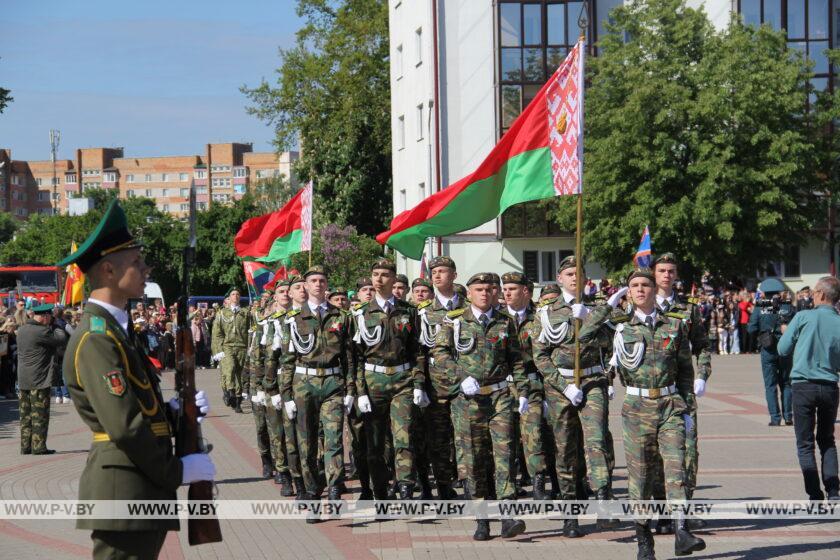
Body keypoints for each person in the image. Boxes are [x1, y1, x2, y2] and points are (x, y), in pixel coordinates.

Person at [58, 199, 214, 559]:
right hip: (124, 488)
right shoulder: (98, 338)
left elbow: (136, 406)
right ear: (109, 270)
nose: (146, 268)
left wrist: (176, 414)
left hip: (137, 484)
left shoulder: (116, 331)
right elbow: (125, 426)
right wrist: (177, 471)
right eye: (137, 262)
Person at [612, 268, 705, 559]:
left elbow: (685, 370)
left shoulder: (673, 326)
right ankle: (644, 541)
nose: (640, 290)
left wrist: (688, 407)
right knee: (640, 478)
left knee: (676, 469)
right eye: (634, 286)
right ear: (628, 292)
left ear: (654, 290)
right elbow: (585, 333)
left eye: (645, 285)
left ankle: (681, 532)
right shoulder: (618, 326)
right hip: (637, 409)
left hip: (669, 405)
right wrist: (607, 305)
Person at [532, 256, 626, 536]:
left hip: (592, 380)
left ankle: (603, 503)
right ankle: (570, 512)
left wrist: (594, 318)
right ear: (559, 278)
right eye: (569, 273)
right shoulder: (547, 311)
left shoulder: (600, 307)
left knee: (596, 441)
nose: (574, 278)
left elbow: (617, 343)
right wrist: (563, 385)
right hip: (561, 387)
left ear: (586, 278)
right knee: (565, 450)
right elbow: (540, 355)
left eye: (579, 273)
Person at [432, 272, 527, 541]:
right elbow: (440, 354)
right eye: (479, 289)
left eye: (489, 289)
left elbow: (517, 360)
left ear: (496, 293)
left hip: (499, 398)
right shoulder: (454, 322)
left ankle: (508, 516)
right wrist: (461, 378)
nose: (485, 293)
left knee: (505, 455)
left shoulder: (505, 322)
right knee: (473, 459)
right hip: (468, 401)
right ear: (469, 293)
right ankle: (482, 518)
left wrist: (522, 392)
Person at [278, 267, 355, 509]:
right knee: (307, 442)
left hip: (333, 383)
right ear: (306, 286)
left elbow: (349, 357)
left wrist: (351, 390)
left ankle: (333, 488)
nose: (318, 284)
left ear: (327, 284)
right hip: (304, 385)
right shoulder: (293, 318)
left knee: (333, 439)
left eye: (322, 280)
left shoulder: (341, 317)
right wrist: (286, 395)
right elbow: (287, 360)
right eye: (313, 281)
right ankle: (311, 490)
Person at [353, 258, 427, 500]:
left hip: (402, 379)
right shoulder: (360, 314)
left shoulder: (408, 311)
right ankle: (381, 491)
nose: (379, 278)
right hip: (374, 381)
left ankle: (405, 486)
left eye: (385, 274)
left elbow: (417, 350)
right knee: (374, 442)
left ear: (394, 279)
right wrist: (360, 391)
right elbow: (355, 357)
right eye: (375, 273)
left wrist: (418, 383)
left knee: (403, 435)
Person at [778, 276, 840, 501]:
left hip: (803, 385)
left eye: (814, 292)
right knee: (827, 439)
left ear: (822, 295)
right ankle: (834, 490)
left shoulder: (803, 316)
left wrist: (789, 332)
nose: (812, 295)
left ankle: (815, 494)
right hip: (830, 386)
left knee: (804, 443)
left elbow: (783, 349)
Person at [416, 256, 462, 499]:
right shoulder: (425, 312)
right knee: (440, 438)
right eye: (434, 272)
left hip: (467, 382)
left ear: (454, 275)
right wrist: (420, 384)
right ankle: (444, 485)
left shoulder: (468, 306)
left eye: (442, 271)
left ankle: (469, 481)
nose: (437, 275)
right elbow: (420, 352)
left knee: (467, 437)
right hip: (438, 384)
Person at [17, 304, 65, 454]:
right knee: (40, 415)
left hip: (23, 379)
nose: (50, 320)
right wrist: (56, 325)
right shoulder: (41, 331)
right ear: (44, 316)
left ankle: (26, 446)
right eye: (49, 317)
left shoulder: (23, 329)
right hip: (38, 379)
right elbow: (61, 338)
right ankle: (38, 447)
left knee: (25, 416)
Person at [748, 292, 794, 426]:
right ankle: (788, 416)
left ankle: (775, 418)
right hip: (785, 349)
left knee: (770, 385)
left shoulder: (759, 308)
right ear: (778, 293)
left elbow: (751, 328)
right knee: (786, 383)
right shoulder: (787, 307)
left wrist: (762, 332)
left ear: (764, 293)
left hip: (768, 349)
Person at [212, 287, 251, 413]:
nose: (235, 296)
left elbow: (251, 331)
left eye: (238, 294)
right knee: (230, 369)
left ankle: (238, 401)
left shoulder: (245, 313)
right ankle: (230, 392)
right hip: (227, 346)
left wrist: (250, 347)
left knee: (239, 374)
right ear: (229, 298)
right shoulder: (222, 313)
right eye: (233, 294)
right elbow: (217, 334)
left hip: (242, 346)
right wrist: (218, 350)